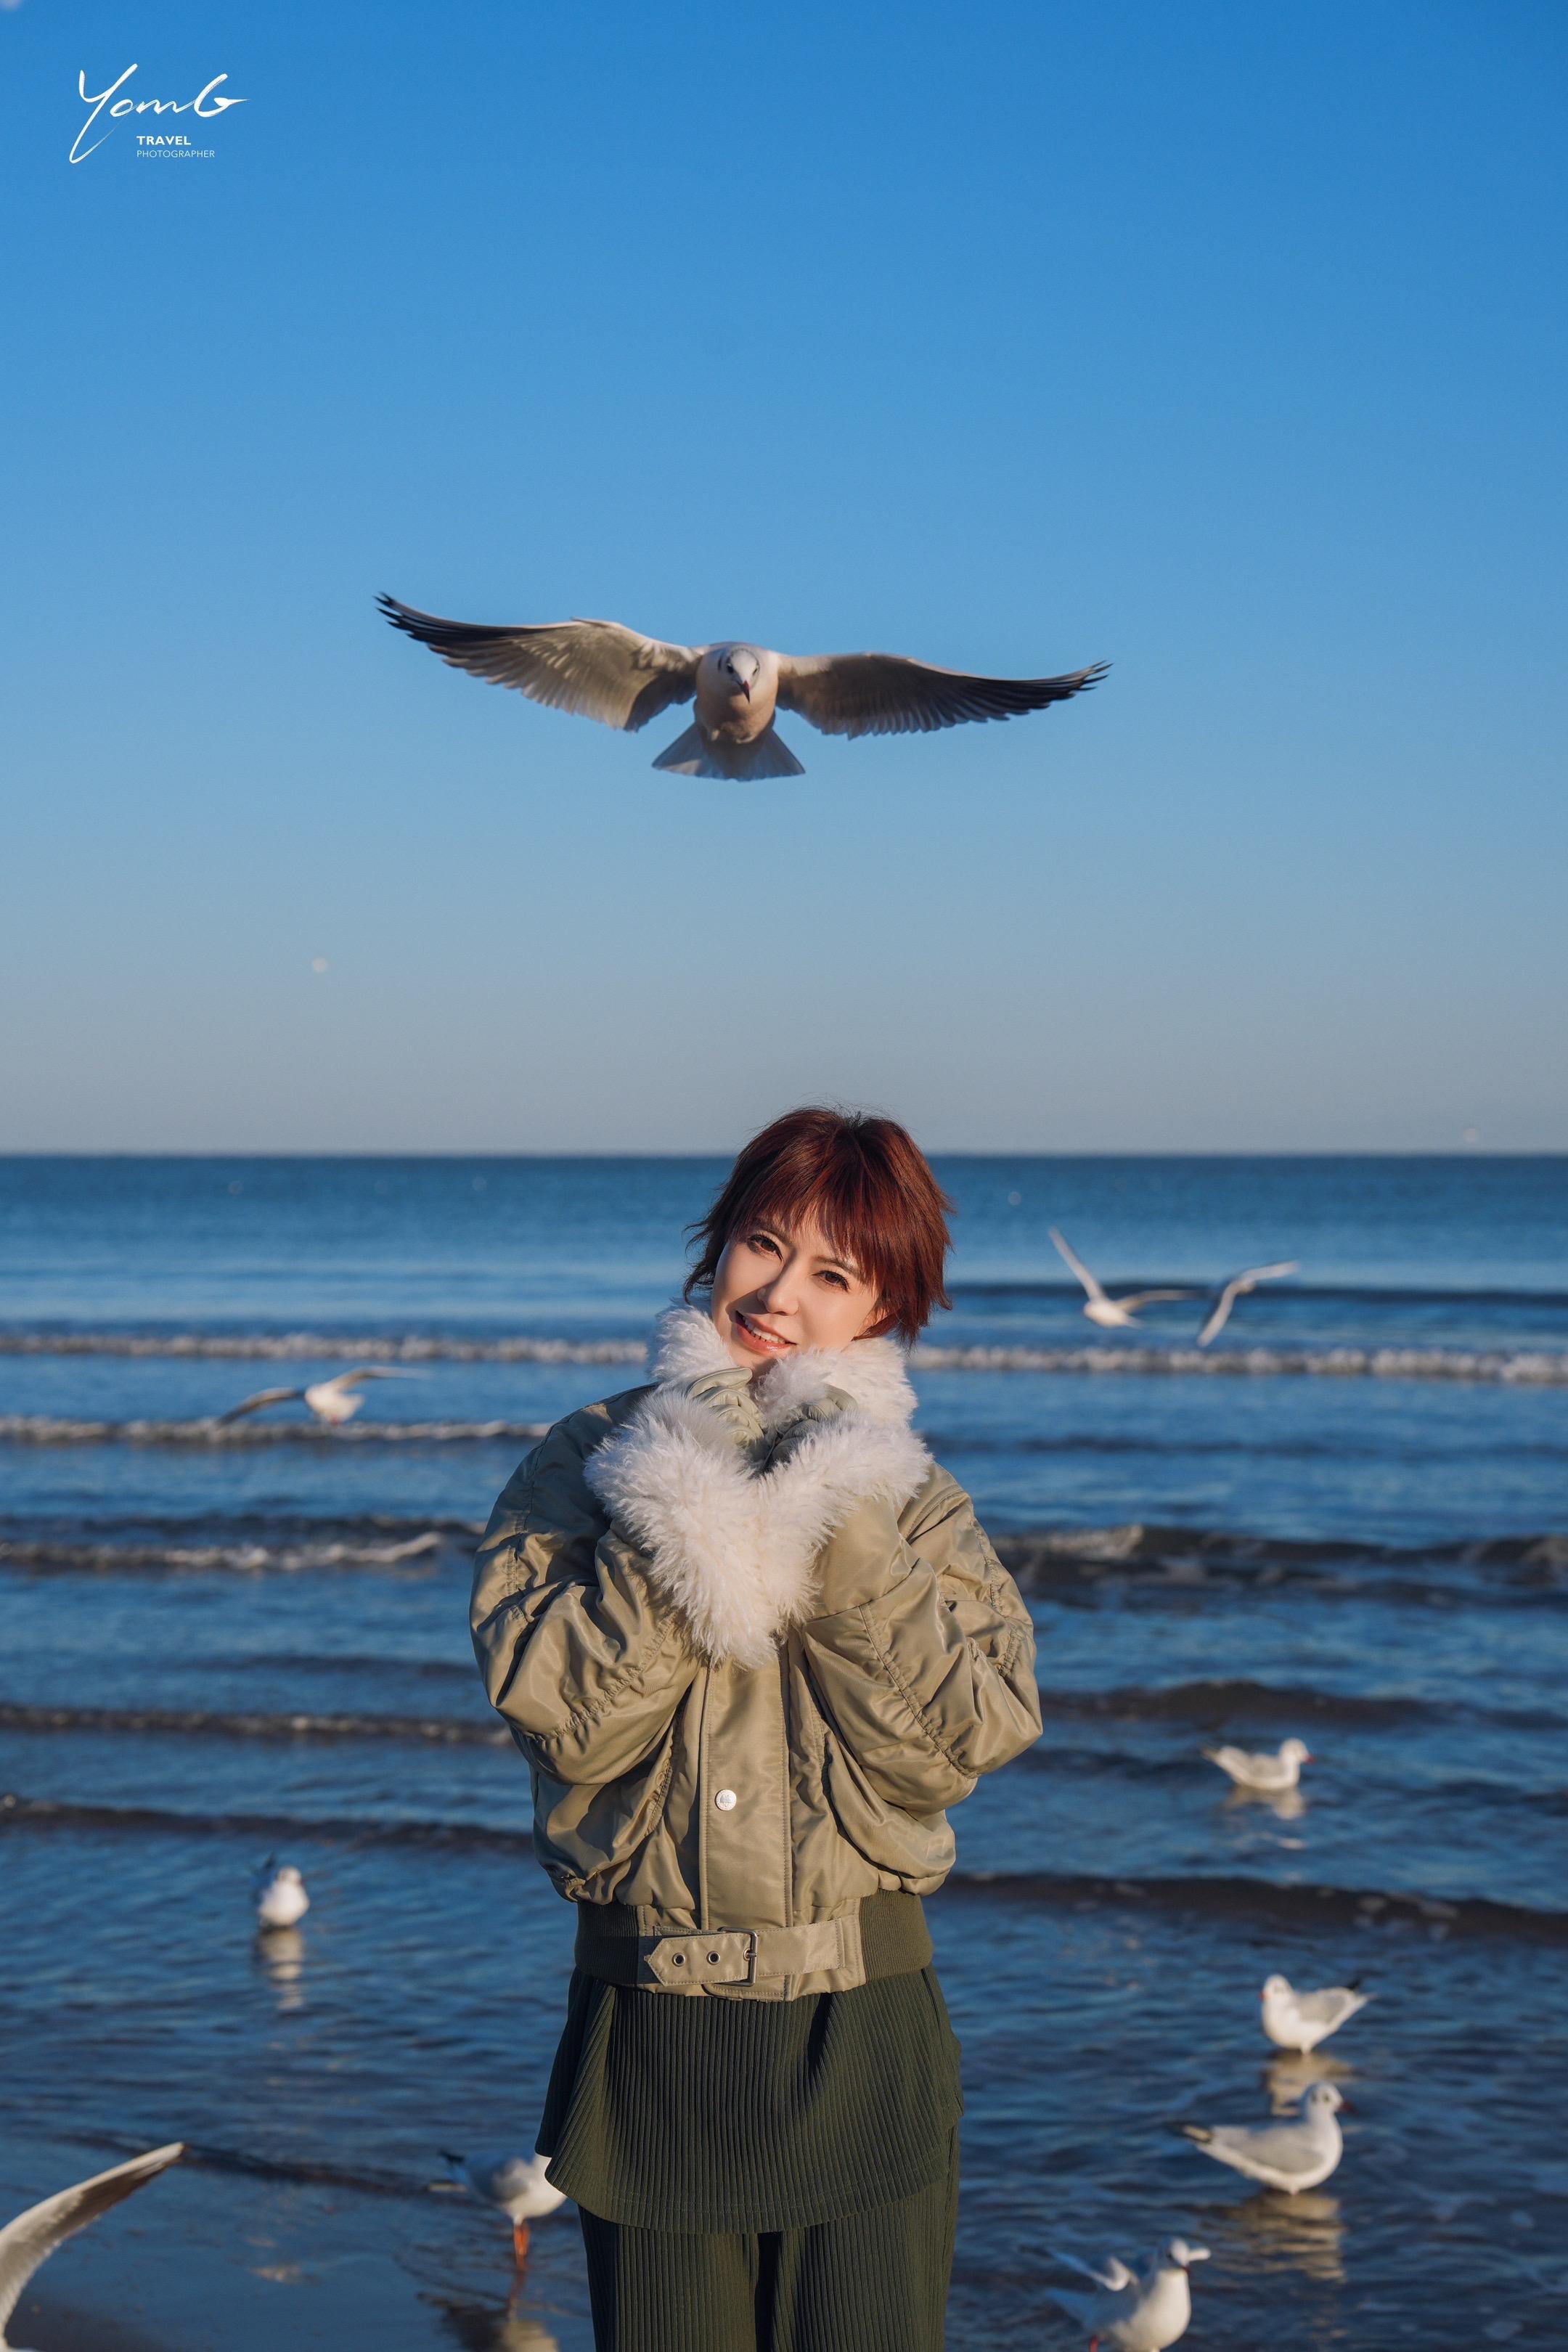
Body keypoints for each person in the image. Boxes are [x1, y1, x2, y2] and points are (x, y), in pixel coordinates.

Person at [470, 1108, 1042, 2351]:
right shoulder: (586, 1464)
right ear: (715, 1246)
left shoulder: (914, 1503)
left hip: (866, 2036)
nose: (778, 1294)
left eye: (832, 1274)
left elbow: (967, 1737)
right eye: (760, 1244)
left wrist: (838, 1517)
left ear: (882, 1311)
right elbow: (564, 1716)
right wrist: (689, 1496)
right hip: (652, 2035)